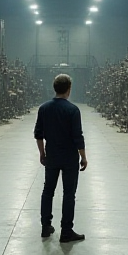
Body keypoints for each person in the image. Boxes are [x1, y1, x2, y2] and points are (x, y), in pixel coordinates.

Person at [35, 73, 88, 242]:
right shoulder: (73, 110)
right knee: (68, 193)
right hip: (69, 158)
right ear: (69, 89)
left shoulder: (44, 108)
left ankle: (45, 226)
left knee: (48, 190)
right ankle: (66, 231)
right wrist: (84, 157)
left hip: (52, 155)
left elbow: (38, 134)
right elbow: (78, 137)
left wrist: (42, 153)